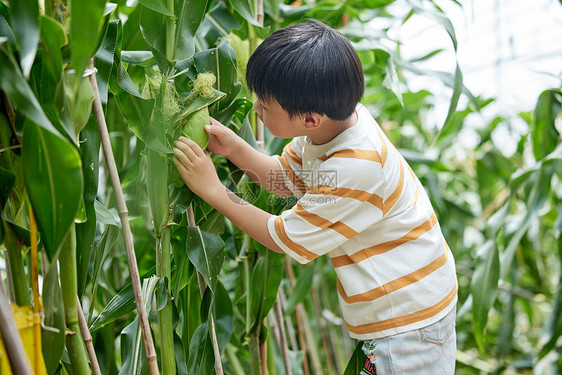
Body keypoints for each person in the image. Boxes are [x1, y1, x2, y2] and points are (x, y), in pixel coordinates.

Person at [173, 20, 457, 374]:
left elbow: (282, 237)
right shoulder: (332, 127)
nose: (256, 108)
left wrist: (213, 190)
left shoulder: (357, 167)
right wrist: (233, 148)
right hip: (403, 305)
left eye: (264, 104)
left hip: (407, 324)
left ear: (309, 118)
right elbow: (285, 179)